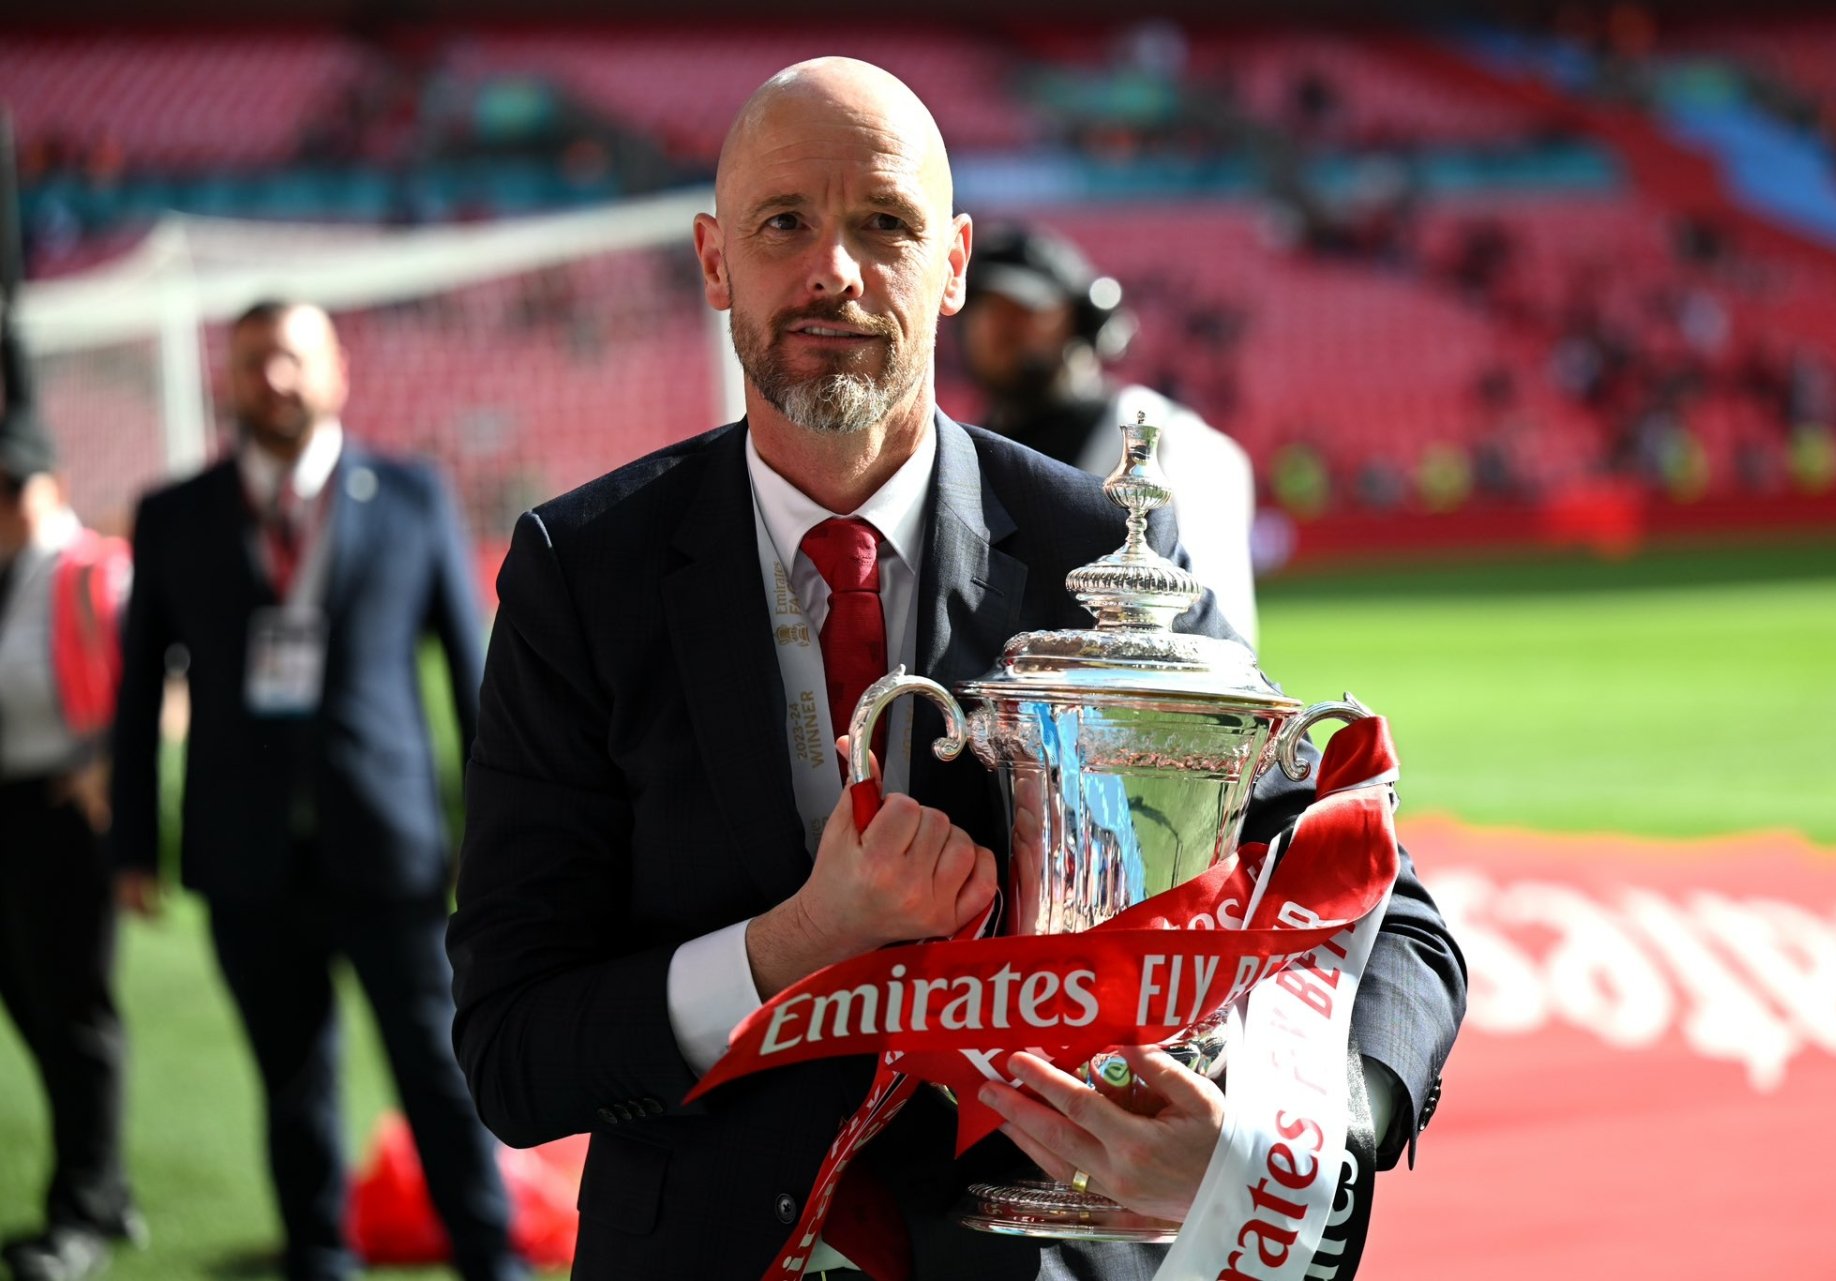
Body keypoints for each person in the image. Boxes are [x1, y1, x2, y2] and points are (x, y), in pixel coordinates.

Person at [447, 59, 1464, 1280]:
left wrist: (1295, 1138)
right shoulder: (581, 573)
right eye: (784, 224)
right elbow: (512, 1053)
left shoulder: (1102, 552)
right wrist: (799, 942)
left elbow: (1382, 908)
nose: (834, 269)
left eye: (885, 223)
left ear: (954, 264)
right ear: (715, 262)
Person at [109, 301, 524, 1281]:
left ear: (337, 370)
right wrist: (131, 845)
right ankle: (318, 1257)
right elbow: (137, 697)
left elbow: (477, 687)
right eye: (254, 360)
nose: (274, 378)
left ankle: (490, 1257)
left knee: (439, 1070)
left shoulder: (414, 496)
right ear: (228, 378)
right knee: (291, 1084)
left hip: (390, 849)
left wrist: (502, 838)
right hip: (243, 855)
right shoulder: (173, 515)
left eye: (292, 357)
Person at [0, 301, 142, 1281]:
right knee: (32, 1007)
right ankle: (100, 1184)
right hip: (7, 812)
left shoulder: (89, 571)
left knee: (74, 1012)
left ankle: (85, 1207)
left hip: (64, 813)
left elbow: (153, 677)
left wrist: (111, 769)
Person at [956, 222, 1261, 644]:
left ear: (1084, 319)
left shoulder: (1173, 443)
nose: (997, 326)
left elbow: (1209, 641)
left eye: (1025, 308)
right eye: (983, 308)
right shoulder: (964, 447)